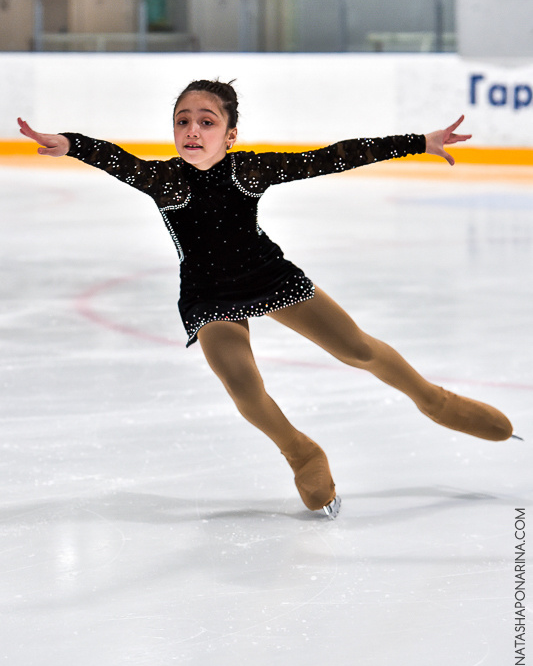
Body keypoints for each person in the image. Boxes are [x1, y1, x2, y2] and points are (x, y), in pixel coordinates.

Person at [17, 79, 515, 520]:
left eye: (206, 122)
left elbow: (334, 156)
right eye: (182, 121)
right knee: (244, 387)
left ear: (230, 135)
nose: (192, 130)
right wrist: (70, 144)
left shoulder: (247, 172)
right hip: (210, 296)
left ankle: (434, 400)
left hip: (269, 277)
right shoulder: (164, 181)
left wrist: (419, 142)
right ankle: (301, 453)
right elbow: (113, 158)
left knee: (357, 349)